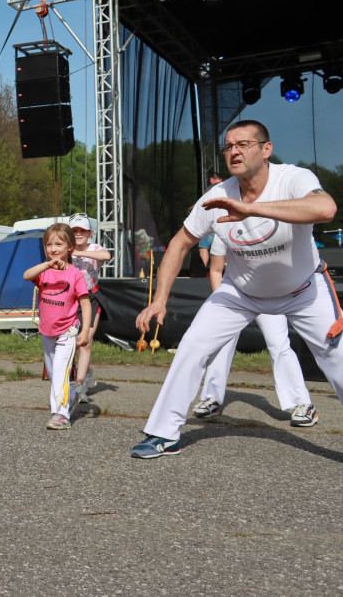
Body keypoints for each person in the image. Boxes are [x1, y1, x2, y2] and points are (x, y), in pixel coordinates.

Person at [132, 120, 341, 459]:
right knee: (192, 346)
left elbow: (326, 209)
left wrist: (251, 208)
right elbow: (178, 243)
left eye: (243, 144)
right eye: (228, 146)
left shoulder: (292, 178)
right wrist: (159, 301)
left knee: (339, 360)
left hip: (303, 290)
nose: (234, 151)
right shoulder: (216, 198)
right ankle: (163, 434)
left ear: (266, 149)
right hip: (240, 293)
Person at [191, 235, 318, 425]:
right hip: (236, 293)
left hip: (269, 293)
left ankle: (303, 404)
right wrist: (221, 306)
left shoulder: (272, 227)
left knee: (278, 344)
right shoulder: (224, 231)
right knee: (221, 342)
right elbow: (216, 270)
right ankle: (212, 398)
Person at [23, 223, 91, 430]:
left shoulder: (75, 275)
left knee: (61, 373)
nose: (53, 249)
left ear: (70, 246)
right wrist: (47, 265)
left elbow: (85, 304)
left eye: (58, 244)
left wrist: (85, 330)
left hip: (67, 331)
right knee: (54, 375)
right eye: (48, 245)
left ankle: (61, 415)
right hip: (47, 332)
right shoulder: (44, 272)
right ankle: (70, 397)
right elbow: (26, 275)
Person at [68, 213, 110, 397]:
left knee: (84, 342)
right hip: (70, 301)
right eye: (74, 231)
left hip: (91, 298)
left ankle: (79, 384)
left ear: (90, 233)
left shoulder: (94, 247)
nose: (78, 234)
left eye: (82, 231)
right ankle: (88, 373)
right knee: (74, 343)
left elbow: (106, 255)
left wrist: (78, 253)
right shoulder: (64, 249)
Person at [196, 173, 223, 267]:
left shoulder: (210, 189)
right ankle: (221, 273)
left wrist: (191, 210)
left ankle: (202, 272)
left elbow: (202, 204)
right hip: (224, 223)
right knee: (219, 251)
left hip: (210, 223)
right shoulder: (228, 187)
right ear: (221, 179)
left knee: (203, 247)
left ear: (211, 179)